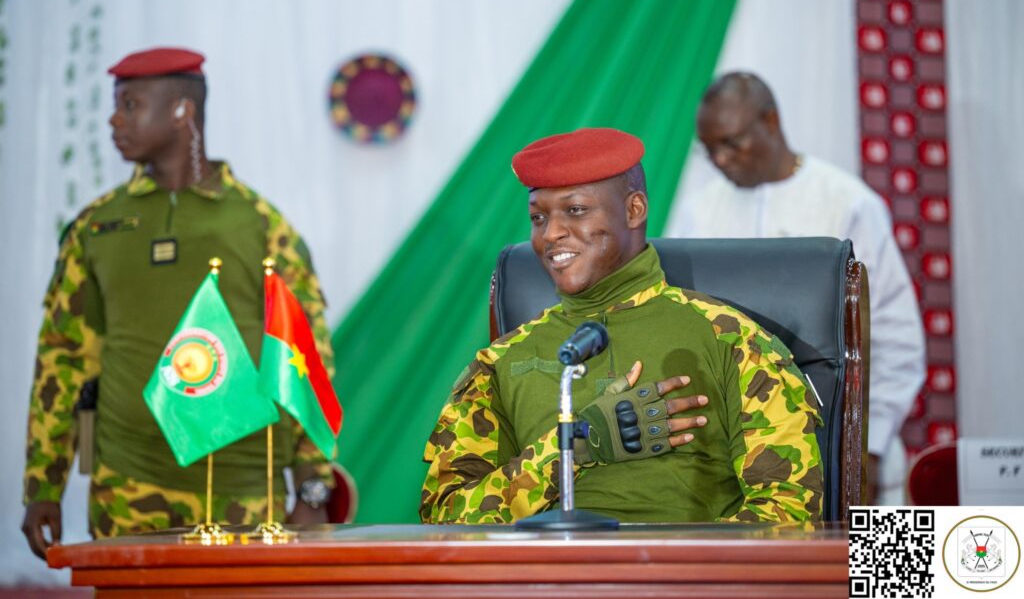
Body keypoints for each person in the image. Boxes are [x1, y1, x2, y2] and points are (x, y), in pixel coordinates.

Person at [21, 47, 336, 559]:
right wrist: (43, 487)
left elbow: (305, 354)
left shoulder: (259, 226)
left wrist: (312, 484)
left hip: (244, 487)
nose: (113, 119)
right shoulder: (95, 228)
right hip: (126, 482)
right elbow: (63, 358)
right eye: (117, 104)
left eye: (130, 104)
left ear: (181, 111)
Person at [420, 127, 823, 524]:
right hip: (544, 582)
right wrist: (575, 445)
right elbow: (445, 522)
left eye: (575, 210)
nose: (552, 234)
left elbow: (790, 515)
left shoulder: (731, 339)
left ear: (634, 210)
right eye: (538, 217)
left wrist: (662, 573)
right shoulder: (502, 361)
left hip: (682, 585)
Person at [666, 71, 926, 504]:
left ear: (770, 122)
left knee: (873, 573)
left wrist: (870, 445)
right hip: (732, 463)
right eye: (709, 149)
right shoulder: (697, 212)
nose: (720, 160)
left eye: (731, 143)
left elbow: (896, 337)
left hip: (849, 447)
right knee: (770, 572)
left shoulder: (848, 202)